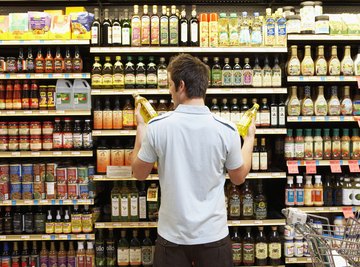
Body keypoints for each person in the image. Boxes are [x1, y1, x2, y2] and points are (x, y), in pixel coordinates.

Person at [131, 53, 255, 267]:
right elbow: (238, 177)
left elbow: (139, 173)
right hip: (213, 237)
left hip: (172, 238)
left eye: (170, 85)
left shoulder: (157, 127)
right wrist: (250, 138)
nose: (169, 91)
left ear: (180, 85)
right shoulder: (226, 129)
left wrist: (141, 128)